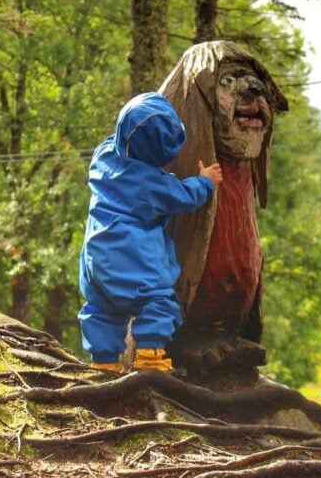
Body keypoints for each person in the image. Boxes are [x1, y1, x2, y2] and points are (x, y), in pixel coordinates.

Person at [78, 92, 223, 372]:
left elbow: (123, 136)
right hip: (129, 254)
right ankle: (149, 355)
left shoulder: (104, 157)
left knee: (101, 309)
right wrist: (205, 182)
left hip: (95, 255)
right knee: (157, 299)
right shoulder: (151, 184)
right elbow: (181, 196)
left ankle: (103, 360)